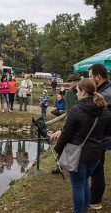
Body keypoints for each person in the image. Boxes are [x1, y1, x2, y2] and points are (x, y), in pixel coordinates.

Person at [53, 78, 111, 213]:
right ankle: (84, 209)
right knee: (84, 181)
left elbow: (66, 134)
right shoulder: (104, 110)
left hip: (79, 155)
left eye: (77, 91)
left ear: (84, 92)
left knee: (78, 185)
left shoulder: (76, 110)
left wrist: (58, 149)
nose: (77, 94)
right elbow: (107, 132)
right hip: (96, 154)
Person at [88, 64, 111, 210]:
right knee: (96, 168)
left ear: (98, 77)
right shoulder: (103, 89)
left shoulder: (105, 94)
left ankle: (96, 201)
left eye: (90, 76)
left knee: (97, 169)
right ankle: (94, 198)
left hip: (103, 136)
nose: (89, 79)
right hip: (102, 135)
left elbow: (94, 115)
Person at [51, 72, 81, 174]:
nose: (69, 83)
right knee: (63, 142)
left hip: (81, 122)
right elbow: (68, 110)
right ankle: (59, 166)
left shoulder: (85, 91)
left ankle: (76, 165)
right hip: (70, 121)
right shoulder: (69, 93)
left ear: (77, 81)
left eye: (71, 81)